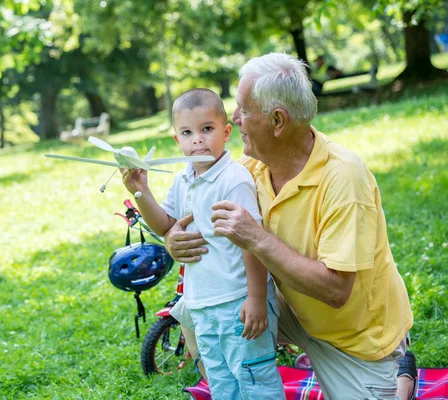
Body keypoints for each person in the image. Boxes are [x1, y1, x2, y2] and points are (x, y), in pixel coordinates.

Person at [165, 53, 416, 400]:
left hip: (353, 337)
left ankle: (402, 372)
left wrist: (257, 239)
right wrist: (171, 239)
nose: (234, 119)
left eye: (243, 110)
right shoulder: (251, 166)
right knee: (192, 311)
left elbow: (336, 291)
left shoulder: (343, 178)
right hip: (287, 303)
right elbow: (194, 216)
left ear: (278, 122)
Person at [120, 88, 284, 399]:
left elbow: (252, 242)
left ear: (225, 133)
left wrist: (257, 298)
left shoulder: (233, 180)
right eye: (187, 132)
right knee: (221, 383)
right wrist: (140, 190)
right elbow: (166, 224)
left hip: (238, 303)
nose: (197, 139)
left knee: (255, 381)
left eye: (206, 129)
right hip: (202, 305)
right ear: (177, 140)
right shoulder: (183, 179)